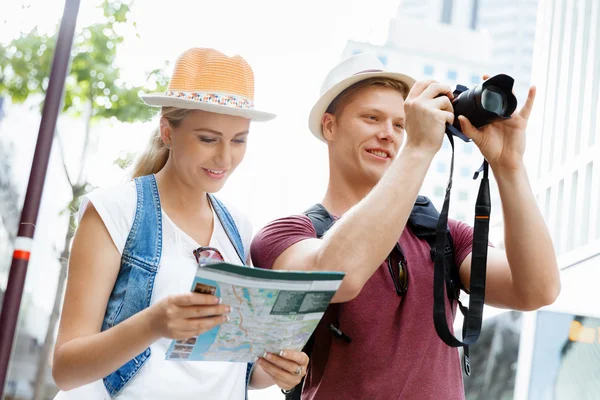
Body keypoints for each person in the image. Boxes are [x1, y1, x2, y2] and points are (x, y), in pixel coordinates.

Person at [250, 52, 561, 399]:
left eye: (400, 125)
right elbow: (340, 274)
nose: (388, 135)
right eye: (372, 118)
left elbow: (536, 289)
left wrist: (510, 166)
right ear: (329, 126)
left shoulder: (440, 234)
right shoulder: (287, 235)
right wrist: (417, 147)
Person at [52, 47, 309, 399]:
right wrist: (153, 324)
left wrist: (277, 369)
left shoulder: (238, 227)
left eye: (239, 140)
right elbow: (66, 369)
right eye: (208, 139)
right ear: (168, 132)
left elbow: (237, 368)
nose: (225, 157)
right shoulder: (116, 210)